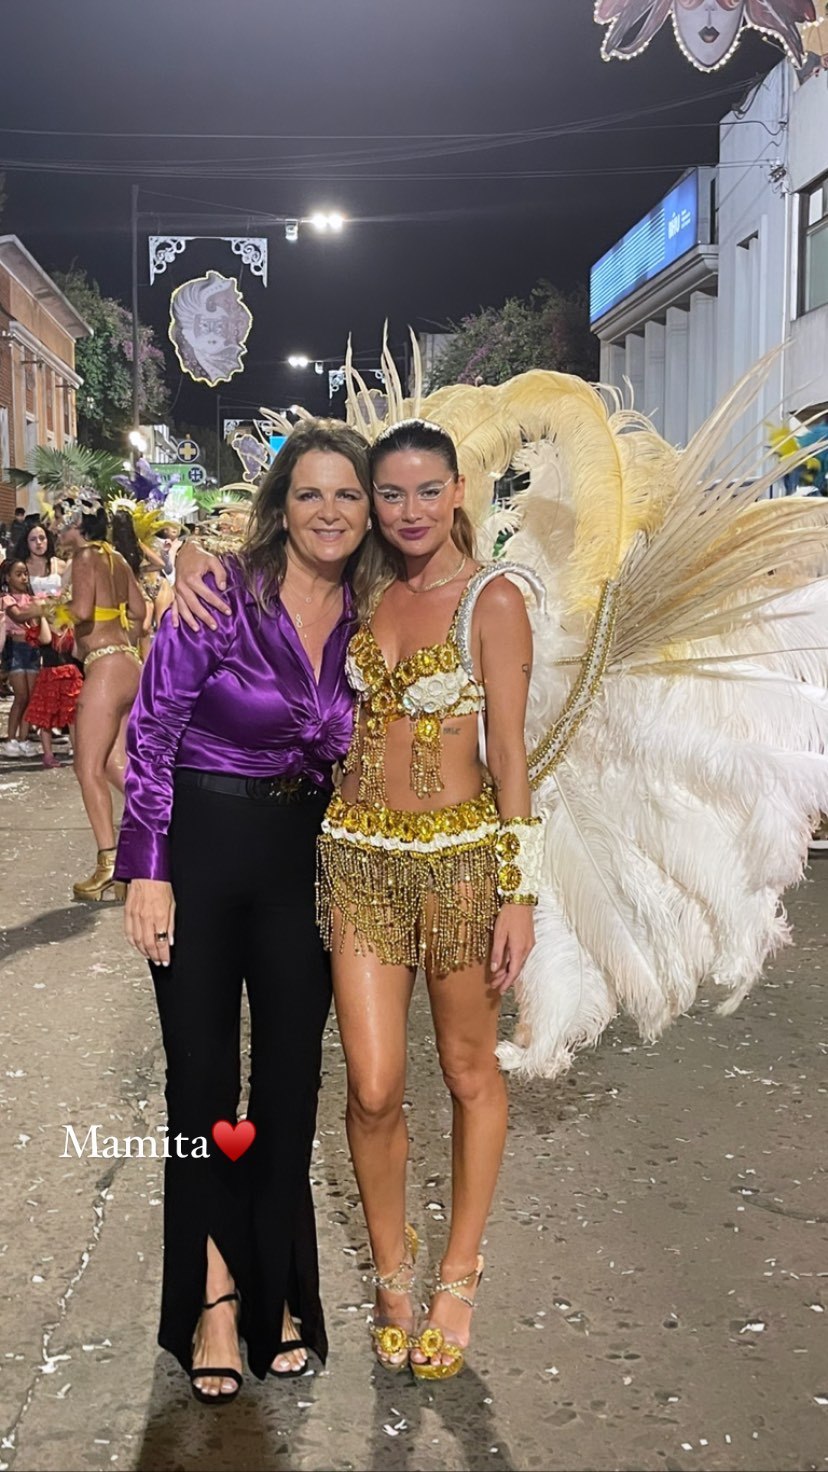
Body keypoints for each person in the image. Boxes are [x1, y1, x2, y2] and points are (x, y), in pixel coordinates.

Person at [174, 418, 540, 1383]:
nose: (409, 510)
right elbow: (270, 570)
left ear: (458, 492)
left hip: (462, 865)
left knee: (468, 1071)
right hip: (356, 860)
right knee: (372, 1088)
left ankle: (457, 1275)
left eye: (428, 490)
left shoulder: (494, 600)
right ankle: (389, 1271)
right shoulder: (364, 587)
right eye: (391, 493)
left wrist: (520, 889)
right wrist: (186, 554)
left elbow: (511, 754)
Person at [116, 420, 372, 1403]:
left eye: (347, 494)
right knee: (202, 1089)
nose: (329, 512)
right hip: (200, 848)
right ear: (280, 505)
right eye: (310, 493)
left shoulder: (372, 609)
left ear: (367, 510)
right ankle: (216, 1299)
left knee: (289, 1090)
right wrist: (147, 867)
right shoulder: (221, 592)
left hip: (306, 864)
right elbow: (153, 731)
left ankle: (281, 1293)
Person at [54, 490, 146, 901]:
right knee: (114, 765)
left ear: (76, 523)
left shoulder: (85, 556)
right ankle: (171, 826)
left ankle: (109, 863)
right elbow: (140, 611)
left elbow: (80, 612)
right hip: (128, 664)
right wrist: (123, 638)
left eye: (60, 520)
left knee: (86, 767)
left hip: (105, 669)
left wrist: (41, 610)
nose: (55, 529)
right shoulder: (117, 558)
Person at [1, 558, 46, 757]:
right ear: (7, 578)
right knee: (20, 696)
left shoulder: (31, 599)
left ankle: (23, 738)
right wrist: (39, 607)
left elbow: (36, 623)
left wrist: (39, 608)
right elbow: (18, 616)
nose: (24, 578)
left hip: (32, 649)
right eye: (18, 574)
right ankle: (10, 739)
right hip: (15, 651)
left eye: (25, 573)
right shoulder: (7, 599)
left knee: (31, 696)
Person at [24, 615, 83, 768]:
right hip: (50, 675)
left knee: (72, 716)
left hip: (69, 674)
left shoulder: (69, 628)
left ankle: (78, 753)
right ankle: (48, 754)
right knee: (46, 718)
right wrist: (42, 617)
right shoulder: (40, 629)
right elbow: (46, 639)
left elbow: (76, 654)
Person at [19, 521, 66, 599]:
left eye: (42, 538)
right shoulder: (20, 567)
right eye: (33, 539)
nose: (38, 542)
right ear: (26, 543)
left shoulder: (60, 564)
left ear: (47, 540)